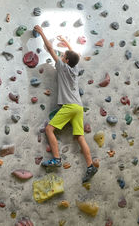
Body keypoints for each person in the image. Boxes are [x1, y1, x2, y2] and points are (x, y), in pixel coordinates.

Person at [34, 25, 98, 183]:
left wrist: (41, 32)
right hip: (78, 107)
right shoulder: (75, 69)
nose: (61, 56)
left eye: (63, 56)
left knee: (49, 129)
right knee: (79, 137)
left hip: (69, 106)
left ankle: (56, 159)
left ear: (66, 61)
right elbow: (76, 56)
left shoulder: (62, 67)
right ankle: (90, 166)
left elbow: (49, 49)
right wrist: (65, 42)